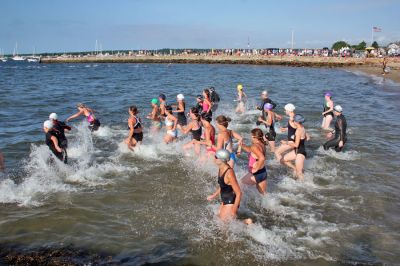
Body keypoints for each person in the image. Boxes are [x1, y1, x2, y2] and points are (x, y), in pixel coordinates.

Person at [207, 149, 246, 222]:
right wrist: (214, 195)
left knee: (224, 229)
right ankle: (242, 221)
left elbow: (239, 193)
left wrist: (234, 210)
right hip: (225, 200)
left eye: (216, 157)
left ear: (221, 160)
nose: (214, 158)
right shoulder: (221, 168)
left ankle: (247, 222)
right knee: (219, 220)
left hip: (230, 202)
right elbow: (223, 185)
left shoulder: (229, 173)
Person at [240, 128, 268, 195]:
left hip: (256, 174)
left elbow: (262, 158)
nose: (251, 137)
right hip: (263, 172)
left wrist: (256, 169)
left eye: (251, 136)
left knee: (239, 186)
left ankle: (240, 204)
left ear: (254, 137)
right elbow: (251, 151)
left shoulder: (254, 146)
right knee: (263, 195)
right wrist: (242, 146)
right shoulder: (262, 144)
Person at [281, 114, 308, 180]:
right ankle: (295, 168)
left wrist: (286, 142)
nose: (293, 122)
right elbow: (307, 138)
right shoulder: (302, 127)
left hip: (300, 153)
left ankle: (304, 186)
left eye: (293, 121)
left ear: (296, 122)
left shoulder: (298, 131)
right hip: (297, 151)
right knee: (283, 160)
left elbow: (296, 145)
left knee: (299, 173)